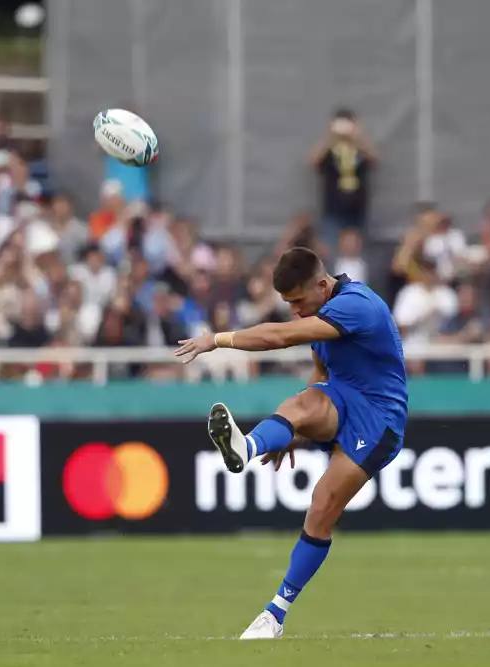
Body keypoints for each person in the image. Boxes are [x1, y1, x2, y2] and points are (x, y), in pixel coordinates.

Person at [174, 246, 408, 640]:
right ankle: (248, 447)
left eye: (298, 301)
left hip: (381, 417)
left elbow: (280, 337)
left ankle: (275, 612)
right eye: (288, 302)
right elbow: (321, 380)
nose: (295, 310)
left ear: (322, 284)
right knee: (301, 401)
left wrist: (216, 339)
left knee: (322, 507)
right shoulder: (321, 313)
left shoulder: (358, 305)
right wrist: (293, 431)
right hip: (341, 398)